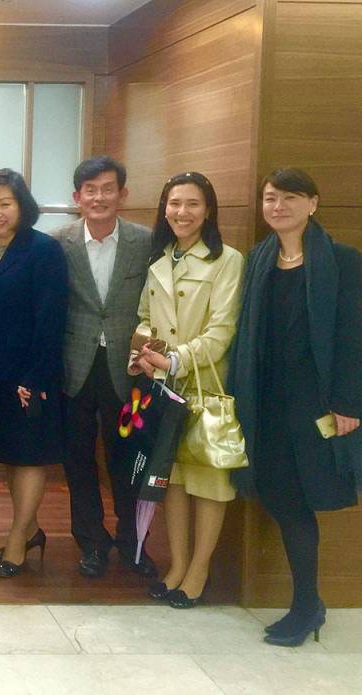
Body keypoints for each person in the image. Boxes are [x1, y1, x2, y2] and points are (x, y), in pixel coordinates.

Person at [228, 168, 361, 645]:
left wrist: (349, 402)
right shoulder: (257, 260)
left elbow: (351, 337)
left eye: (290, 197)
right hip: (264, 404)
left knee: (300, 500)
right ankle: (309, 604)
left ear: (313, 203)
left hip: (316, 406)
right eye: (270, 197)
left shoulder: (344, 262)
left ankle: (307, 605)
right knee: (282, 498)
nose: (278, 206)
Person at [133, 171, 244, 608]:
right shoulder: (159, 259)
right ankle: (177, 564)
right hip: (164, 388)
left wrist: (177, 357)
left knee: (209, 481)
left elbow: (223, 330)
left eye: (192, 204)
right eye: (175, 203)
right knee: (172, 479)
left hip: (205, 386)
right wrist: (142, 350)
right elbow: (145, 315)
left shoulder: (227, 260)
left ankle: (199, 571)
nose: (182, 212)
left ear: (209, 209)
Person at [48, 157, 156, 578]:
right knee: (77, 460)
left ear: (122, 194)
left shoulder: (145, 242)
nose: (99, 197)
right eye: (89, 190)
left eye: (107, 188)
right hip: (74, 367)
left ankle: (133, 542)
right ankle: (91, 542)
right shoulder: (58, 243)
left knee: (126, 459)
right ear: (77, 198)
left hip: (127, 369)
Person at [0, 168, 68, 578]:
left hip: (29, 374)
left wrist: (35, 377)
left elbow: (50, 318)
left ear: (22, 206)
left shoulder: (43, 251)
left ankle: (15, 541)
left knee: (29, 457)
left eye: (5, 204)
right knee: (8, 453)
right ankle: (32, 530)